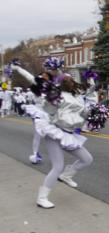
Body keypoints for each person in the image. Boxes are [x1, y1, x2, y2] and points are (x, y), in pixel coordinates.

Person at [12, 63, 96, 209]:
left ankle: (66, 175)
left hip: (69, 135)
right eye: (67, 80)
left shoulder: (77, 97)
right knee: (57, 166)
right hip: (55, 133)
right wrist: (48, 100)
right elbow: (47, 110)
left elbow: (83, 113)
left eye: (71, 80)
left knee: (87, 159)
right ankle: (42, 197)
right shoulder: (56, 96)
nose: (71, 82)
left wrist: (93, 112)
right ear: (62, 84)